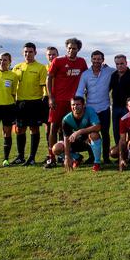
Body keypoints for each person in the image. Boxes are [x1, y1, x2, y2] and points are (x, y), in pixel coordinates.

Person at [45, 38, 88, 168]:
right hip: (58, 101)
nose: (71, 50)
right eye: (69, 48)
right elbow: (49, 78)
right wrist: (51, 97)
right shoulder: (58, 61)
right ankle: (51, 157)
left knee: (73, 130)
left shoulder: (81, 62)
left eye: (74, 48)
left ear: (78, 49)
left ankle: (71, 155)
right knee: (53, 128)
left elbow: (87, 75)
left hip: (74, 103)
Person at [75, 50, 116, 164]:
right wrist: (78, 105)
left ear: (103, 60)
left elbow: (122, 70)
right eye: (94, 59)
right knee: (91, 134)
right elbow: (79, 91)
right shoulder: (85, 74)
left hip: (105, 107)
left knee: (105, 133)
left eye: (99, 59)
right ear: (91, 60)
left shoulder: (109, 71)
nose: (96, 61)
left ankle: (106, 158)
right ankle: (92, 157)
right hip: (90, 109)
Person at [12, 43, 48, 166]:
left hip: (35, 102)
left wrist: (45, 99)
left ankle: (32, 157)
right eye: (26, 52)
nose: (28, 54)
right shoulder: (16, 67)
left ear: (35, 53)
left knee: (34, 129)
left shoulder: (41, 67)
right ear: (23, 53)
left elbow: (44, 86)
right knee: (20, 129)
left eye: (30, 52)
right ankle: (20, 156)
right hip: (20, 102)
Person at [53, 96, 102, 172]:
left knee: (94, 135)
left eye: (78, 104)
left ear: (83, 105)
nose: (75, 107)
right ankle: (77, 158)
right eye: (73, 105)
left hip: (88, 142)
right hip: (75, 143)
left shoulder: (89, 111)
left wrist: (79, 131)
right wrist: (67, 157)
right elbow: (66, 138)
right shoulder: (66, 119)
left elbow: (98, 127)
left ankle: (97, 163)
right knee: (56, 149)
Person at [109, 54, 130, 146]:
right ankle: (120, 152)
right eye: (117, 64)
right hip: (115, 107)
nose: (119, 66)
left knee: (129, 131)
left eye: (121, 63)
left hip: (127, 109)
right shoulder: (113, 75)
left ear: (126, 63)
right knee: (116, 130)